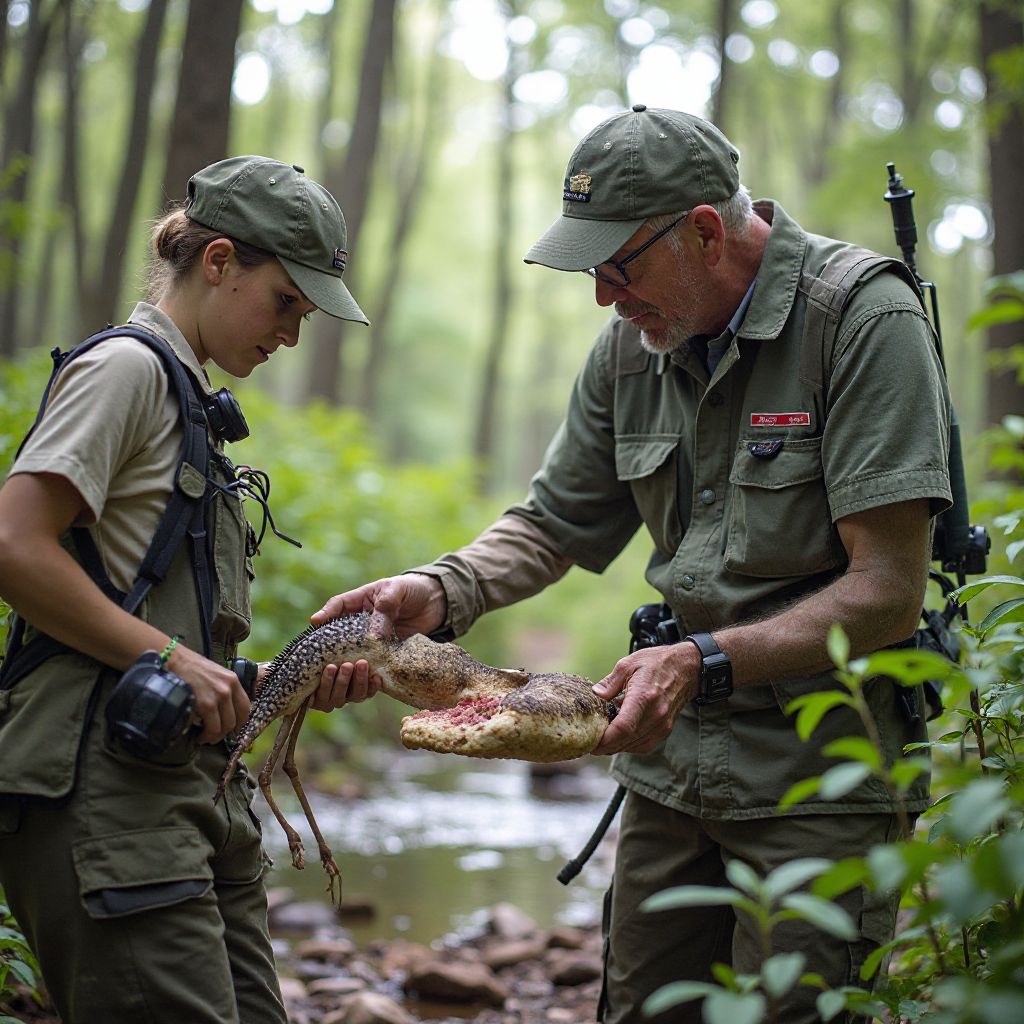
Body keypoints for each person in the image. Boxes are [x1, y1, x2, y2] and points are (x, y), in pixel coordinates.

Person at [314, 106, 953, 1023]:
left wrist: (705, 660)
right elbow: (554, 523)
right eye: (593, 271)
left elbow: (887, 593)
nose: (606, 297)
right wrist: (441, 589)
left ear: (702, 230)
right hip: (669, 760)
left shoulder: (858, 319)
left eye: (621, 266)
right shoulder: (632, 346)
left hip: (823, 778)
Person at [0, 156, 380, 1023]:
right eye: (286, 301)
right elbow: (14, 546)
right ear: (217, 263)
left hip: (190, 801)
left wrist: (268, 684)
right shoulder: (126, 370)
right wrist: (172, 656)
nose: (292, 333)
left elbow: (152, 621)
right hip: (103, 803)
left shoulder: (190, 398)